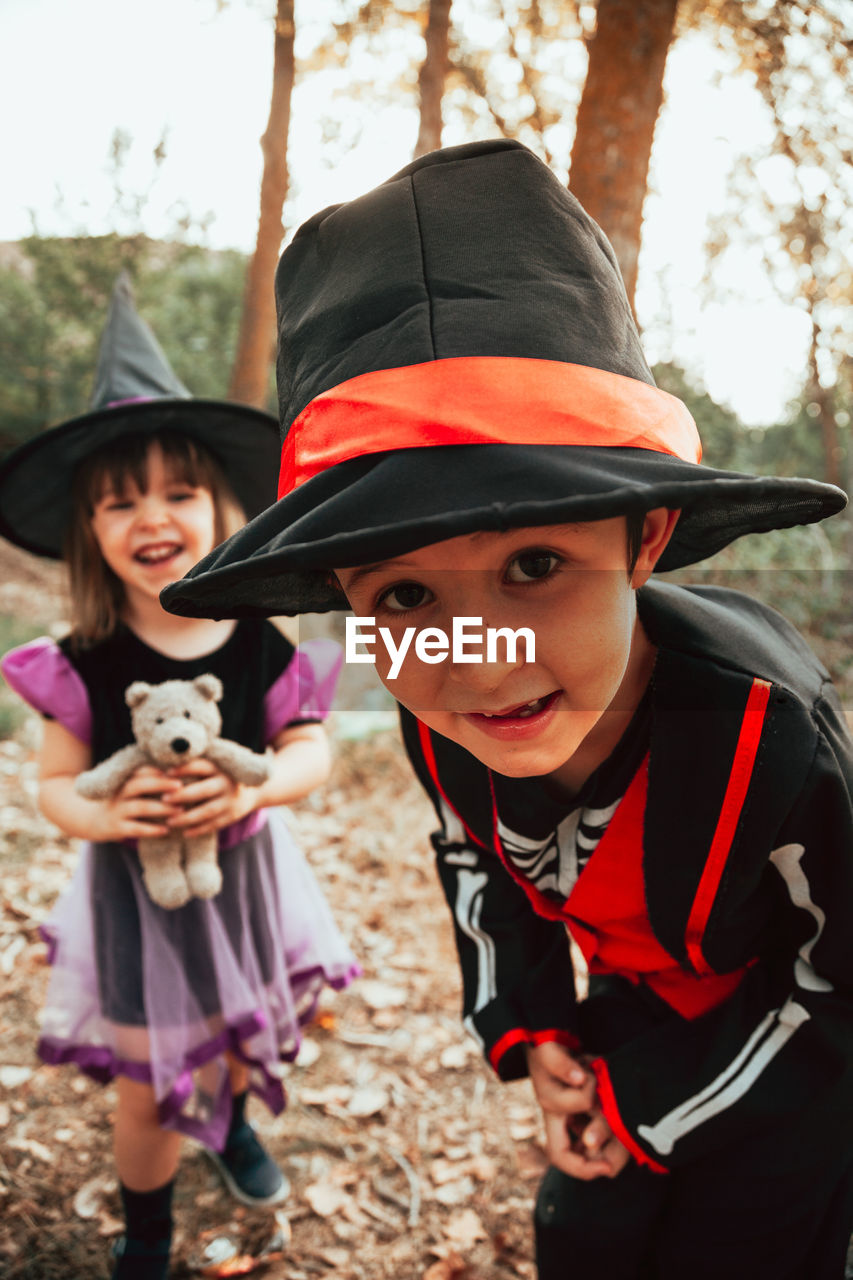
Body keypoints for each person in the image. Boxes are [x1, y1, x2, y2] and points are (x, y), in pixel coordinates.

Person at [161, 141, 853, 1277]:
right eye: (405, 594)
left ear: (646, 536)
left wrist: (648, 1104)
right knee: (580, 1234)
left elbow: (839, 985)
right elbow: (480, 864)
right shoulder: (448, 726)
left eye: (535, 563)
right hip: (620, 1015)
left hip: (787, 1066)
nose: (478, 664)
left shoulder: (774, 735)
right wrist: (534, 1034)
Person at [0, 274, 358, 1280]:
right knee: (148, 1081)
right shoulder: (82, 658)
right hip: (132, 896)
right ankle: (147, 1235)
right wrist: (105, 819)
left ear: (221, 509)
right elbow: (56, 786)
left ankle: (234, 1125)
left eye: (178, 490)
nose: (150, 515)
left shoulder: (256, 639)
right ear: (90, 532)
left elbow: (311, 745)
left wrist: (254, 790)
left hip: (246, 879)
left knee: (239, 1037)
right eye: (119, 501)